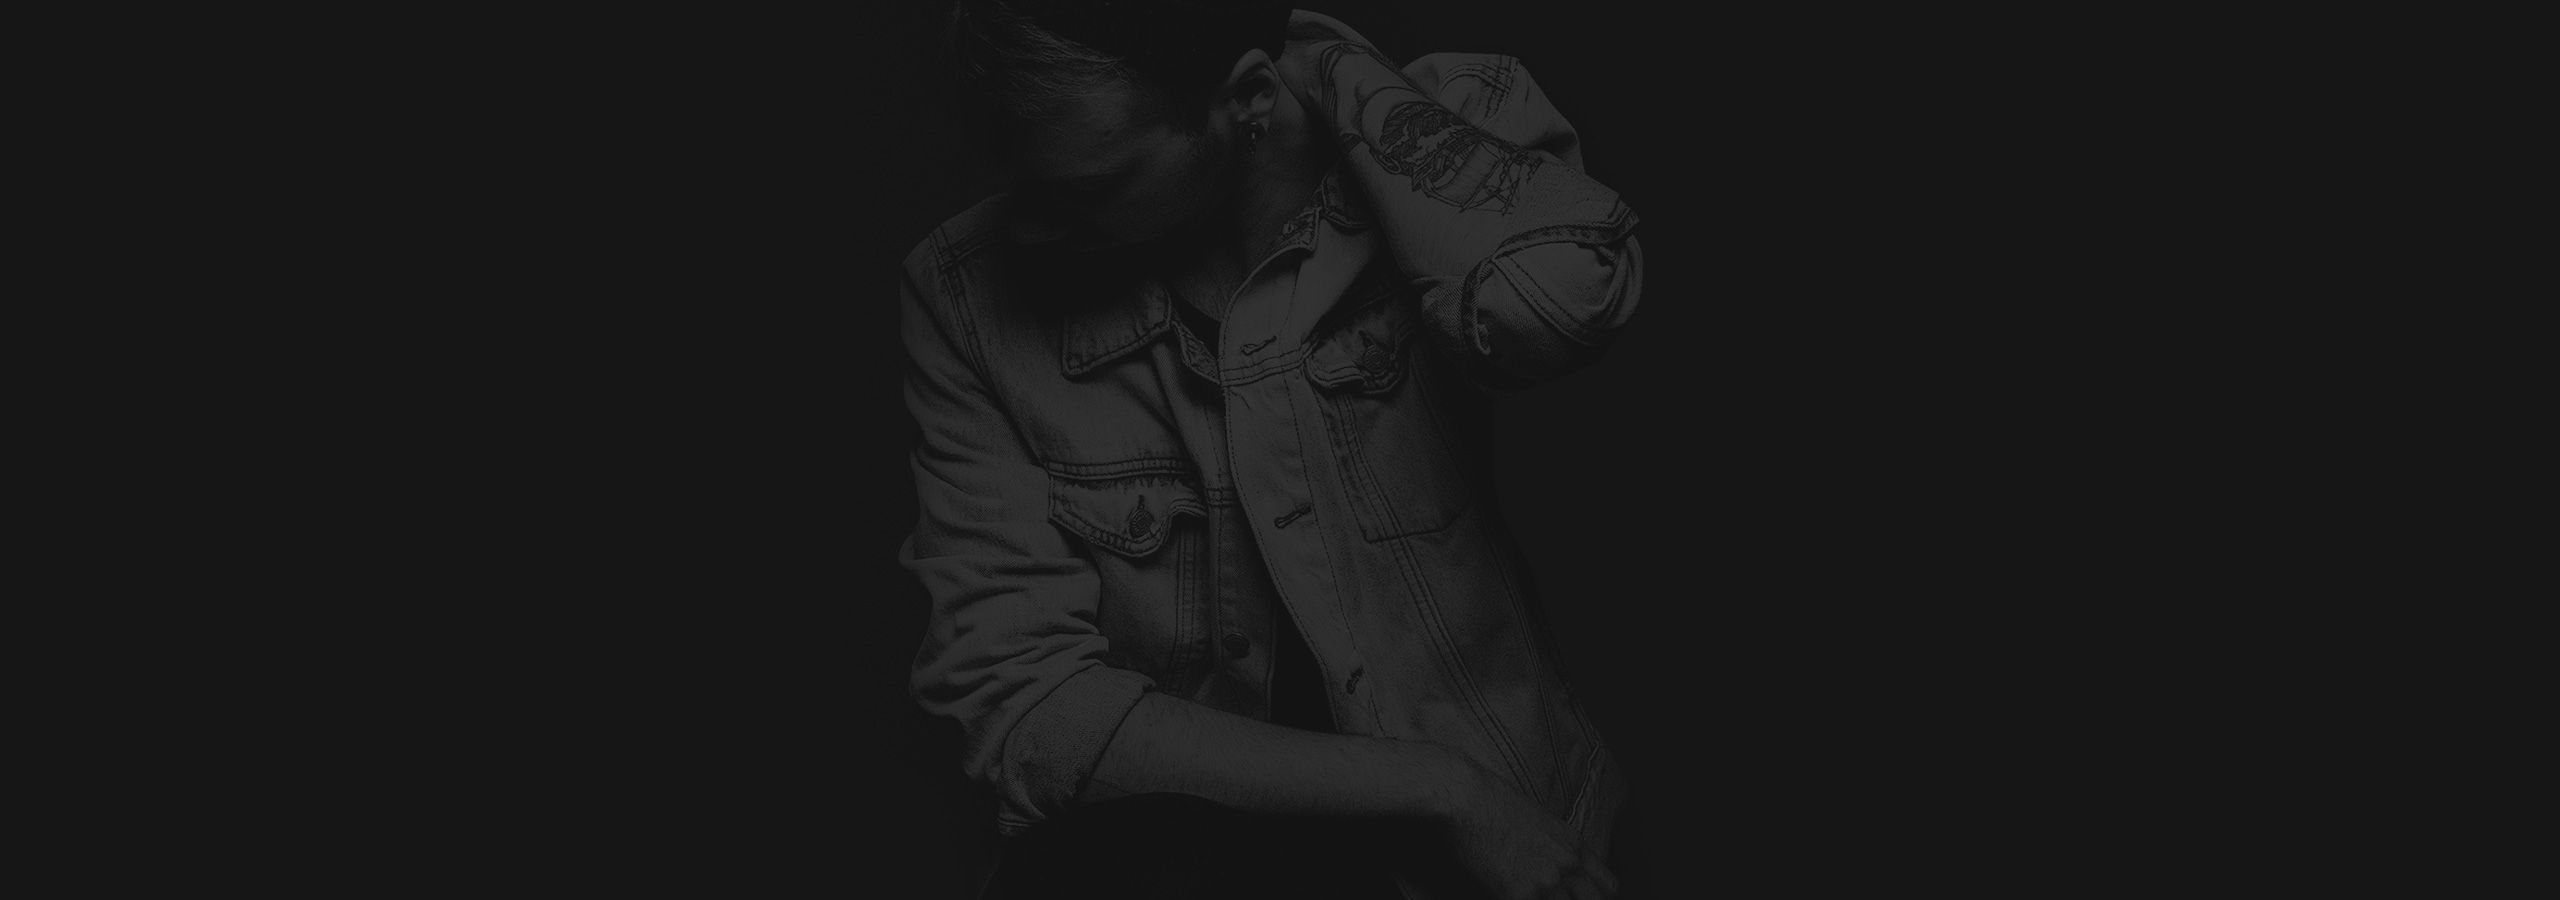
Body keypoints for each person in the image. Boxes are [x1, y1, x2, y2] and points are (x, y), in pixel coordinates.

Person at [897, 3, 1647, 897]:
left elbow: (1550, 303)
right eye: (1023, 183)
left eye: (1089, 189)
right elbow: (1033, 715)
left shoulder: (1426, 131)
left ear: (1250, 96)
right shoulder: (964, 299)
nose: (1032, 232)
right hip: (1181, 873)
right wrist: (1439, 790)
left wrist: (1326, 63)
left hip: (1514, 859)